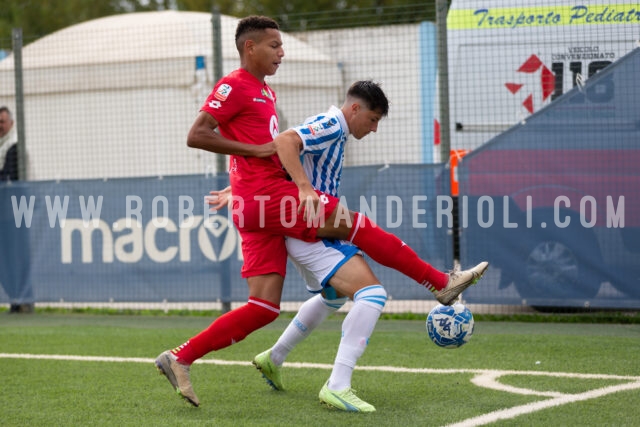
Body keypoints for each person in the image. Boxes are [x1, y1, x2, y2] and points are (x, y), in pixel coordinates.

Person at [155, 16, 487, 408]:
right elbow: (200, 135)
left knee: (262, 307)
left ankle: (180, 356)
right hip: (269, 198)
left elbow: (259, 144)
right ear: (250, 47)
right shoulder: (234, 85)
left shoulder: (265, 92)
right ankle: (439, 283)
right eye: (274, 45)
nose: (282, 52)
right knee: (357, 227)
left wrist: (240, 181)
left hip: (255, 202)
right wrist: (294, 182)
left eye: (281, 45)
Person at [0, 106, 18, 181]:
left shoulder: (14, 144)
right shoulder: (3, 143)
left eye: (2, 122)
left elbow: (10, 176)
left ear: (11, 123)